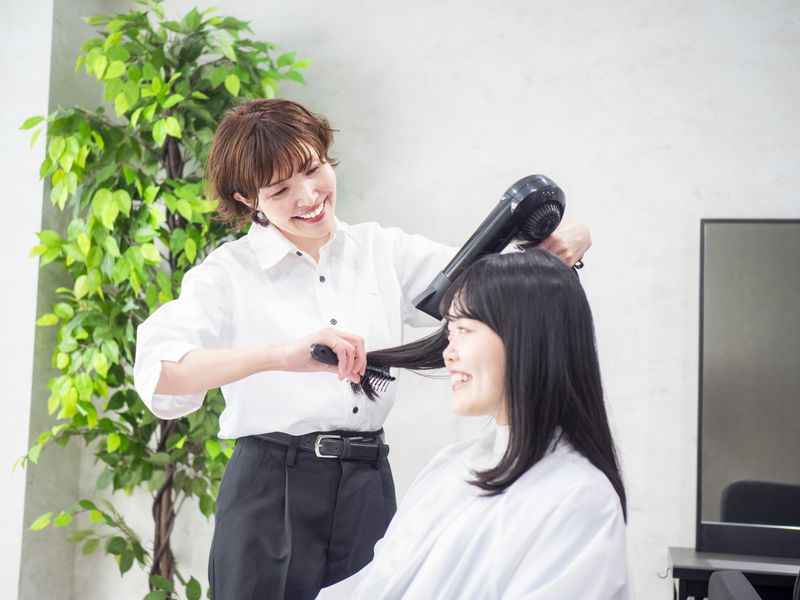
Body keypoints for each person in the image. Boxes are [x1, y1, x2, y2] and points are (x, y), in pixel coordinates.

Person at [133, 98, 593, 600]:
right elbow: (162, 372)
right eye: (281, 189)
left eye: (313, 169)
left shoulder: (382, 250)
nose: (309, 196)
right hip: (270, 491)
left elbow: (484, 282)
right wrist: (280, 356)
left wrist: (563, 243)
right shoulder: (227, 274)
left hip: (367, 484)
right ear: (248, 199)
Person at [319, 249, 628, 599]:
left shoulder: (579, 498)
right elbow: (378, 582)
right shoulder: (452, 465)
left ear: (527, 335)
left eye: (464, 330)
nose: (448, 353)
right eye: (449, 333)